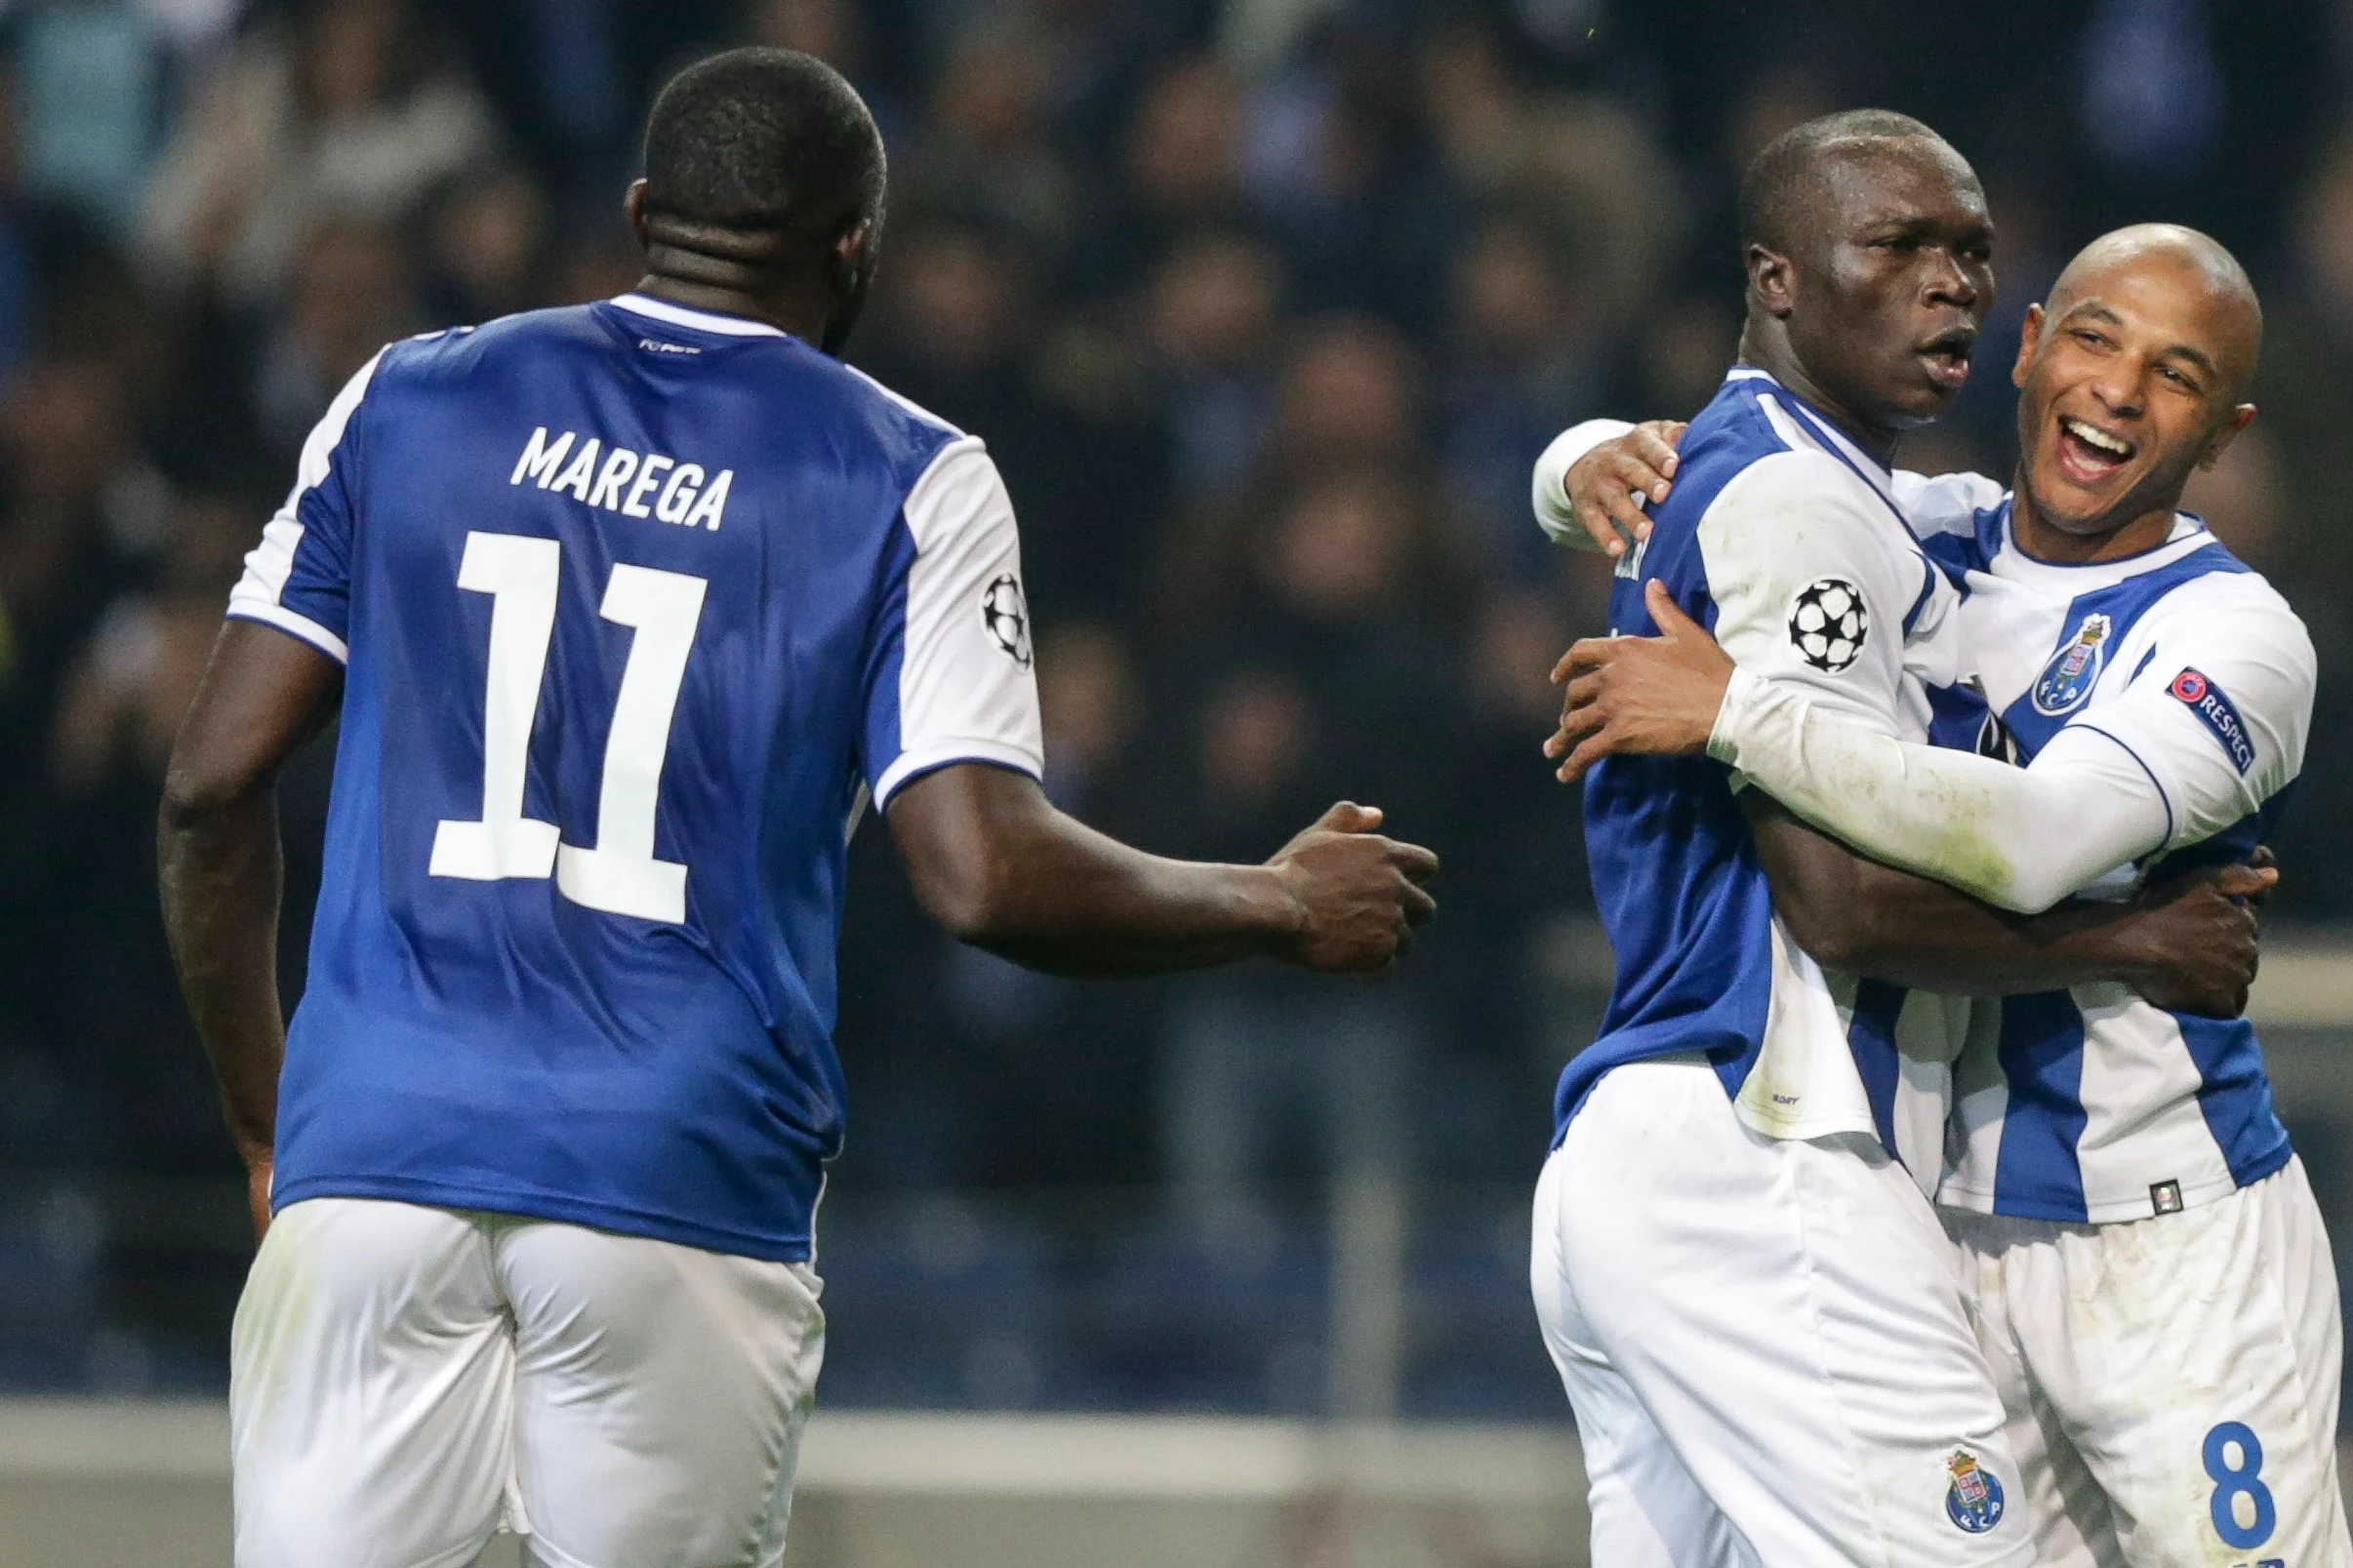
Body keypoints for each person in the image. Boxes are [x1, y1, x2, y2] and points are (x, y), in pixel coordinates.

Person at [153, 48, 1440, 1568]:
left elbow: (208, 789)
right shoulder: (908, 473)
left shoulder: (404, 396)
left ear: (643, 212)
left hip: (369, 1149)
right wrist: (1276, 900)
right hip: (672, 1172)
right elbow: (977, 874)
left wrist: (266, 1107)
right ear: (856, 249)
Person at [1537, 225, 2351, 1568]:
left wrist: (1738, 709)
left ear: (2224, 429)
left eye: (2177, 374)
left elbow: (2036, 838)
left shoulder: (2239, 640)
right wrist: (1578, 460)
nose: (2119, 390)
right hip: (1938, 1228)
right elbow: (1718, 481)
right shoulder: (1927, 533)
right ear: (2030, 347)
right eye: (2095, 338)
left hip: (2168, 1242)